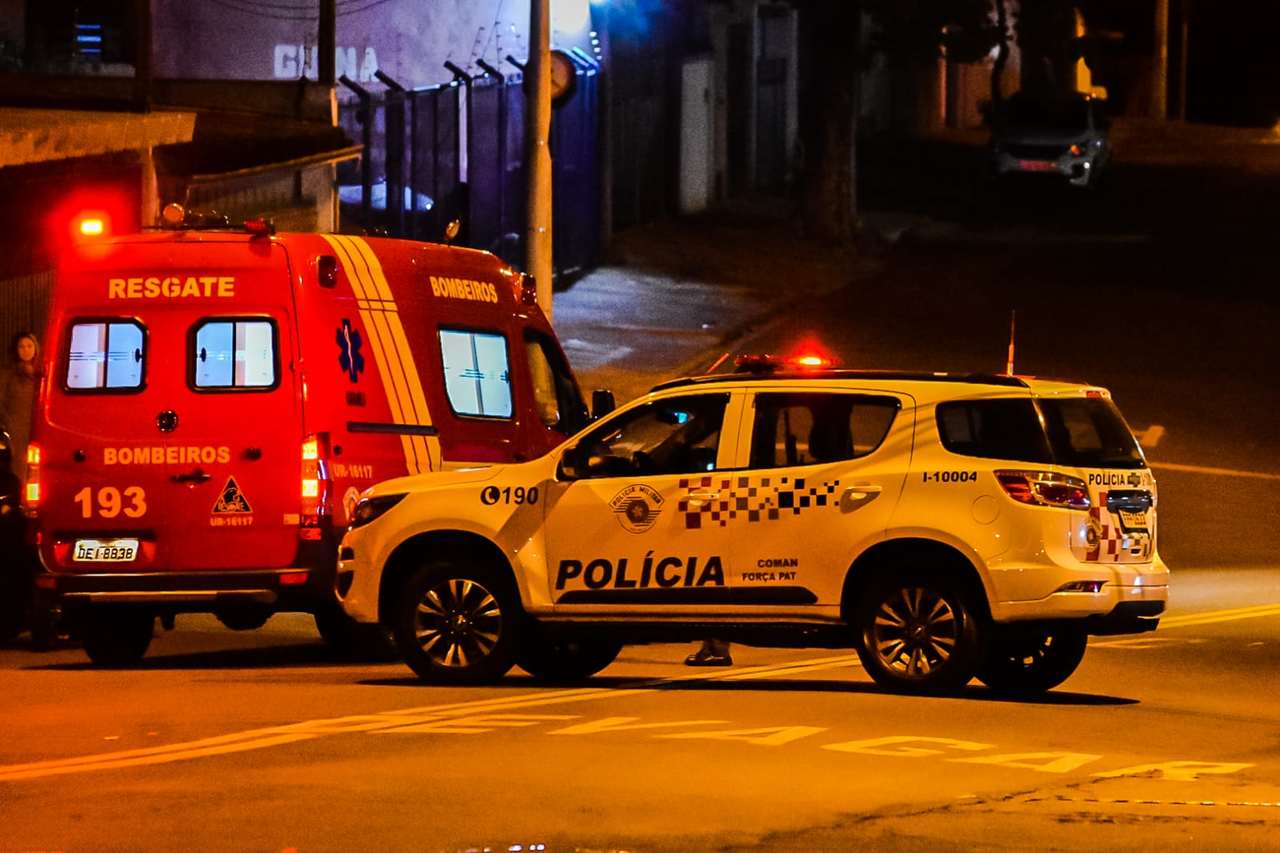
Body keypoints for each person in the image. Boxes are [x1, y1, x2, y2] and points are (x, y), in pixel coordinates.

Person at [0, 331, 40, 484]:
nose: (26, 350)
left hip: (38, 426)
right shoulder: (8, 374)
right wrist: (8, 425)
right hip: (17, 429)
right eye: (21, 347)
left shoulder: (42, 372)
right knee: (20, 468)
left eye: (29, 346)